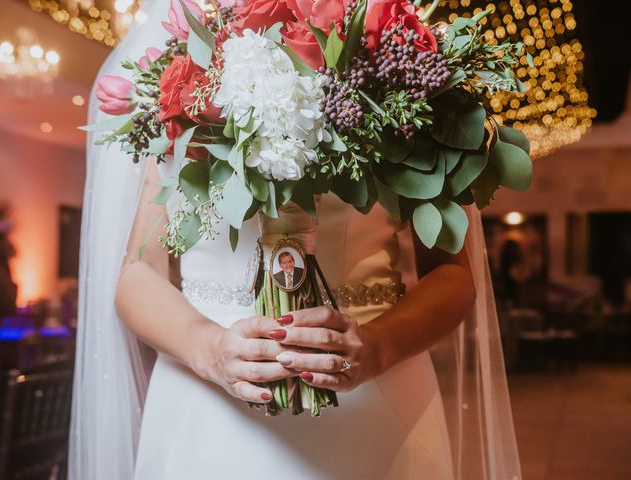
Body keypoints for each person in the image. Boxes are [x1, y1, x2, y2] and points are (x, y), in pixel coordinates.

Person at [69, 1, 521, 479]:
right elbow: (138, 273)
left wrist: (378, 348)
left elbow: (452, 275)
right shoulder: (181, 66)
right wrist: (209, 349)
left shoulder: (402, 55)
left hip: (373, 410)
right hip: (208, 410)